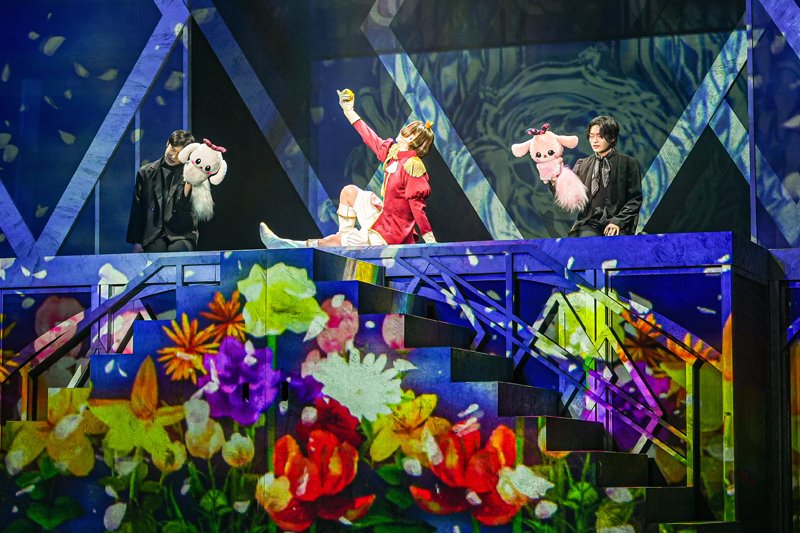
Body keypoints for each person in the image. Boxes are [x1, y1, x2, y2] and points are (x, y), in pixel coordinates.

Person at [259, 89, 437, 248]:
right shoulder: (393, 153)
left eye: (410, 132)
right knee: (349, 192)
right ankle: (345, 242)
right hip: (383, 217)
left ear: (414, 140)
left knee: (333, 242)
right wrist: (349, 111)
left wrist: (430, 241)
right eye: (408, 128)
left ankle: (289, 246)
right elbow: (370, 137)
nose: (404, 130)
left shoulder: (412, 167)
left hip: (392, 234)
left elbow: (417, 207)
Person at [566, 116, 642, 237]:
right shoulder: (582, 164)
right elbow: (567, 192)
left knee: (615, 242)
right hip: (589, 224)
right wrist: (554, 181)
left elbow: (634, 199)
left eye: (600, 136)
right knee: (589, 240)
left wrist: (618, 222)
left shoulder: (628, 163)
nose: (595, 141)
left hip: (619, 224)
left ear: (612, 137)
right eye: (591, 136)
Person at [126, 130, 199, 252]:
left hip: (182, 234)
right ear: (167, 143)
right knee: (155, 256)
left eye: (180, 153)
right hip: (153, 234)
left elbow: (193, 205)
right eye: (173, 150)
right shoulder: (146, 172)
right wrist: (137, 241)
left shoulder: (191, 175)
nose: (174, 156)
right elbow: (138, 209)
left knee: (176, 255)